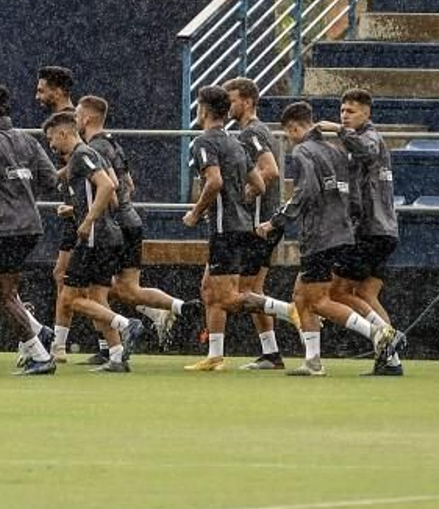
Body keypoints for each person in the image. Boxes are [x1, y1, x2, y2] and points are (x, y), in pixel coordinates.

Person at [259, 102, 397, 377]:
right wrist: (347, 222)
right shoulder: (335, 152)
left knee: (321, 300)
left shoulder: (303, 152)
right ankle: (313, 361)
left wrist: (276, 221)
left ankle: (380, 333)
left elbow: (305, 192)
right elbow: (353, 197)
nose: (290, 139)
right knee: (302, 295)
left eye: (289, 133)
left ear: (295, 128)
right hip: (342, 233)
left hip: (319, 235)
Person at [75, 95, 196, 358]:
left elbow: (114, 190)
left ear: (87, 118)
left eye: (77, 114)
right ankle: (180, 307)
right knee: (127, 289)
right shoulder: (114, 144)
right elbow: (130, 183)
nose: (75, 119)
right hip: (132, 222)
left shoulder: (93, 149)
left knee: (95, 291)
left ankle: (111, 347)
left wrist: (92, 215)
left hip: (115, 226)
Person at [0, 84, 60, 376]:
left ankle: (39, 353)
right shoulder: (29, 141)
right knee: (6, 289)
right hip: (31, 225)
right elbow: (52, 180)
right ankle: (39, 333)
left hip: (5, 228)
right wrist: (24, 195)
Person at [43, 110, 144, 372]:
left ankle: (125, 324)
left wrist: (87, 220)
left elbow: (107, 187)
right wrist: (79, 210)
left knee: (69, 299)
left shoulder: (81, 155)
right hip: (110, 236)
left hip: (94, 238)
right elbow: (112, 188)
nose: (51, 145)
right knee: (98, 297)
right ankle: (117, 356)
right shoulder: (94, 154)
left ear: (65, 133)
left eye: (52, 139)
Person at [322, 88, 404, 376]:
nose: (344, 116)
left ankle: (386, 336)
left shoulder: (369, 138)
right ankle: (391, 359)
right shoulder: (357, 142)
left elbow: (366, 151)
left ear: (367, 113)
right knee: (367, 293)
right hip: (383, 230)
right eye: (342, 111)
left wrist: (337, 131)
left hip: (370, 230)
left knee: (337, 291)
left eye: (351, 111)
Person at [181, 86, 262, 371]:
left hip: (223, 227)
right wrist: (240, 203)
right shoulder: (236, 143)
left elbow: (214, 182)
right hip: (240, 225)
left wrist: (195, 212)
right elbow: (260, 184)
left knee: (226, 296)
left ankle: (287, 310)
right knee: (209, 290)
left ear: (203, 109)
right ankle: (215, 355)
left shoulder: (205, 141)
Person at [224, 77, 298, 369]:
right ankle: (272, 352)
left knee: (242, 292)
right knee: (252, 288)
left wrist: (242, 196)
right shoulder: (252, 132)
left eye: (232, 99)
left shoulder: (252, 132)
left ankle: (293, 319)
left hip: (258, 222)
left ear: (248, 101)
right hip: (263, 221)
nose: (228, 106)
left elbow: (270, 170)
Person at [35, 65, 79, 361]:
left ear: (58, 91)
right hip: (72, 211)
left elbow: (87, 162)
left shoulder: (75, 121)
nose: (37, 95)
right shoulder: (57, 121)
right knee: (79, 279)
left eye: (42, 90)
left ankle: (58, 345)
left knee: (67, 276)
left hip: (81, 213)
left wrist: (51, 178)